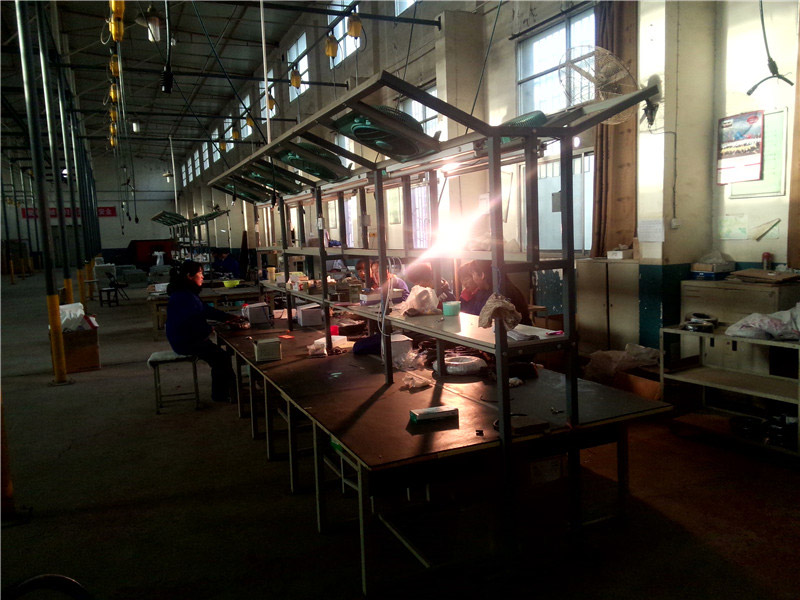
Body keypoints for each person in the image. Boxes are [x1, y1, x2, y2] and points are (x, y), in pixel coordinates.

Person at [166, 260, 243, 403]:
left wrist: (228, 317)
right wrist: (210, 328)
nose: (202, 276)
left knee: (221, 357)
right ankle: (225, 394)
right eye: (200, 273)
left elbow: (205, 310)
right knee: (221, 358)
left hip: (187, 338)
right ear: (189, 276)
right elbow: (189, 322)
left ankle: (231, 391)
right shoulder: (184, 296)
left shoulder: (186, 292)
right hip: (185, 341)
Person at [461, 260, 532, 325]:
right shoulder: (482, 292)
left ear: (482, 275)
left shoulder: (502, 293)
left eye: (473, 274)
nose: (473, 279)